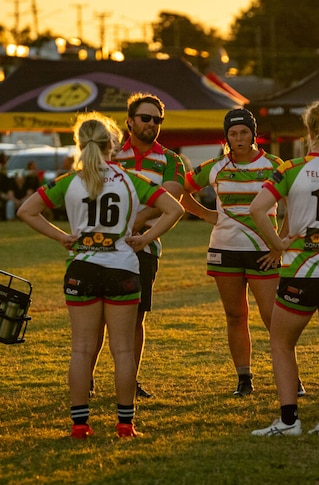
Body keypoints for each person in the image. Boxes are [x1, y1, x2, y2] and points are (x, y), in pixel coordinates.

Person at [17, 112, 183, 439]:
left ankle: (80, 426)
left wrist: (60, 236)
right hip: (121, 264)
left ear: (80, 144)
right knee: (122, 350)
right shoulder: (129, 179)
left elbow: (26, 210)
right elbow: (174, 208)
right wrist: (146, 238)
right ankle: (125, 425)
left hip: (82, 266)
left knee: (81, 349)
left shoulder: (69, 180)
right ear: (113, 145)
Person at [249, 98, 319, 437]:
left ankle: (289, 421)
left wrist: (277, 243)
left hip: (302, 270)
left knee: (281, 343)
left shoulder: (291, 168)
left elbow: (257, 210)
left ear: (309, 130)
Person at [181, 109, 285, 396]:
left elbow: (295, 202)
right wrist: (207, 215)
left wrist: (280, 243)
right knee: (235, 316)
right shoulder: (215, 166)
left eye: (244, 132)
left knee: (273, 318)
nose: (239, 138)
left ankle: (290, 376)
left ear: (254, 133)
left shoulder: (275, 164)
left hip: (264, 252)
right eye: (233, 133)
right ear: (226, 136)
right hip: (224, 250)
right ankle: (244, 378)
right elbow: (181, 191)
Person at [90, 93, 187, 399]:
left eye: (158, 120)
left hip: (143, 249)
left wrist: (138, 221)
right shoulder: (111, 153)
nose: (152, 124)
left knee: (135, 317)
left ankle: (129, 380)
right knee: (95, 317)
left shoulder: (171, 159)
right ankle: (86, 379)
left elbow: (171, 197)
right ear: (129, 120)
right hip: (101, 247)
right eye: (146, 118)